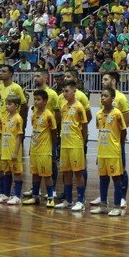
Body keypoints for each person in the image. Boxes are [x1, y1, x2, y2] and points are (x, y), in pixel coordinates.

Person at [55, 80, 88, 211]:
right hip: (65, 144)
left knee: (78, 173)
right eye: (63, 91)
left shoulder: (79, 107)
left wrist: (83, 141)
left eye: (67, 91)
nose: (64, 93)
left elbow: (84, 126)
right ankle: (68, 200)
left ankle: (80, 201)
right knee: (66, 173)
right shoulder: (63, 107)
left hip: (75, 143)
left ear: (74, 91)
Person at [92, 88, 125, 216]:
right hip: (102, 152)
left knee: (116, 179)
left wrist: (118, 148)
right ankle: (103, 205)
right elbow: (101, 132)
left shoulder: (117, 113)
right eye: (102, 95)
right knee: (103, 179)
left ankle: (117, 206)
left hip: (113, 152)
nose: (103, 98)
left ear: (112, 98)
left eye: (106, 96)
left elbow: (123, 132)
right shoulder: (99, 114)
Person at [25, 89, 56, 208]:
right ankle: (35, 197)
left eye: (38, 100)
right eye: (35, 99)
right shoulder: (34, 114)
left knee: (47, 175)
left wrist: (53, 149)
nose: (36, 102)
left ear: (45, 101)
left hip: (44, 150)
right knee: (35, 174)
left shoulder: (49, 115)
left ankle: (50, 197)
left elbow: (54, 133)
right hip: (34, 149)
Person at [0, 95, 25, 205]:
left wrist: (15, 152)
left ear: (16, 106)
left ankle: (17, 195)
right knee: (6, 172)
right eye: (6, 104)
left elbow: (19, 136)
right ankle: (6, 194)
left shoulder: (18, 118)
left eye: (10, 104)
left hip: (13, 151)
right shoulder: (5, 117)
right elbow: (2, 135)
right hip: (5, 150)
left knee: (17, 172)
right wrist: (0, 150)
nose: (7, 106)